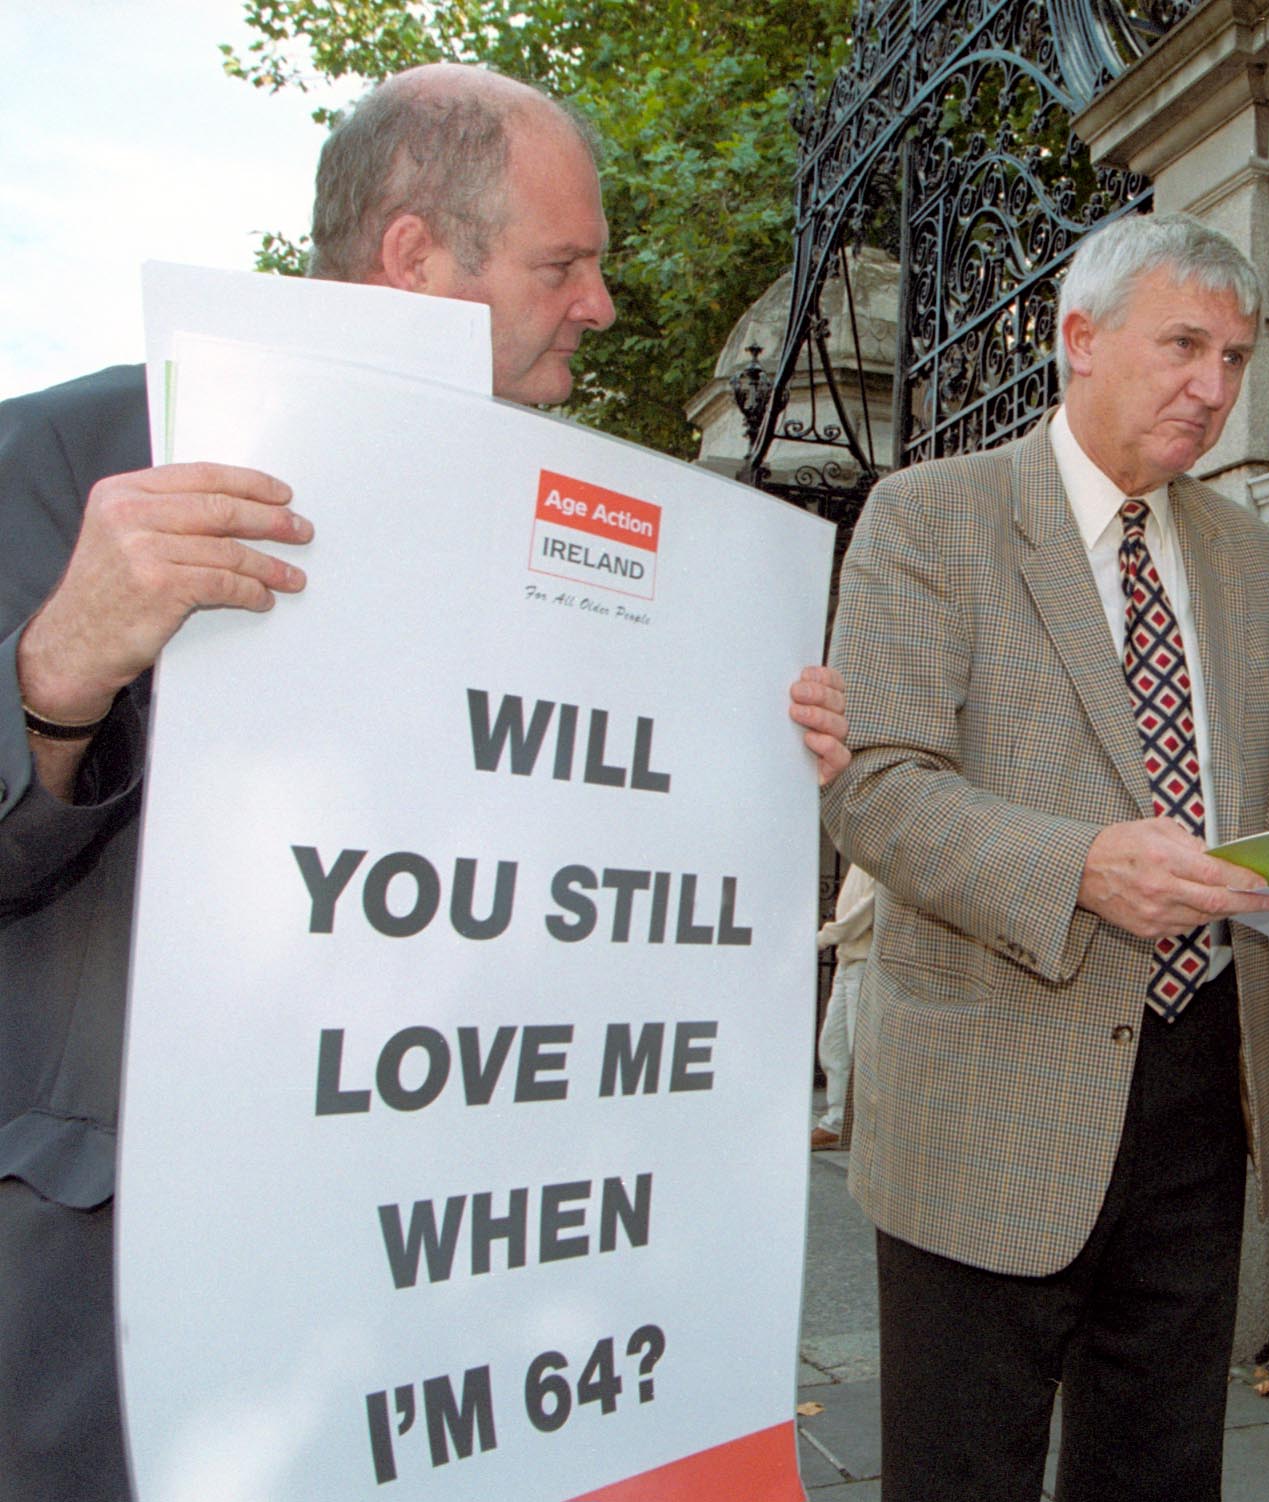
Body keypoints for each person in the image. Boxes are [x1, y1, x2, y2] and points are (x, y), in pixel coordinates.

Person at [0, 64, 846, 1499]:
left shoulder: (577, 530)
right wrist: (55, 676)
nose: (600, 305)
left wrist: (748, 764)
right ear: (414, 258)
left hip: (449, 1287)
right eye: (562, 264)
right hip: (126, 1297)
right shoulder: (69, 457)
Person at [819, 212, 1269, 1502]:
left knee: (1158, 1474)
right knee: (962, 1476)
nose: (1214, 387)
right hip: (988, 1094)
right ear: (1079, 339)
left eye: (1238, 359)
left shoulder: (1249, 557)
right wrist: (1080, 865)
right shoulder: (933, 517)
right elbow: (876, 787)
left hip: (1203, 1089)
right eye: (1186, 345)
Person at [812, 863, 875, 1149]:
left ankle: (861, 1127)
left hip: (863, 960)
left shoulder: (880, 854)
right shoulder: (858, 859)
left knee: (857, 1046)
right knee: (833, 1044)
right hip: (847, 959)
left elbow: (866, 911)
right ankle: (837, 1121)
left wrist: (827, 936)